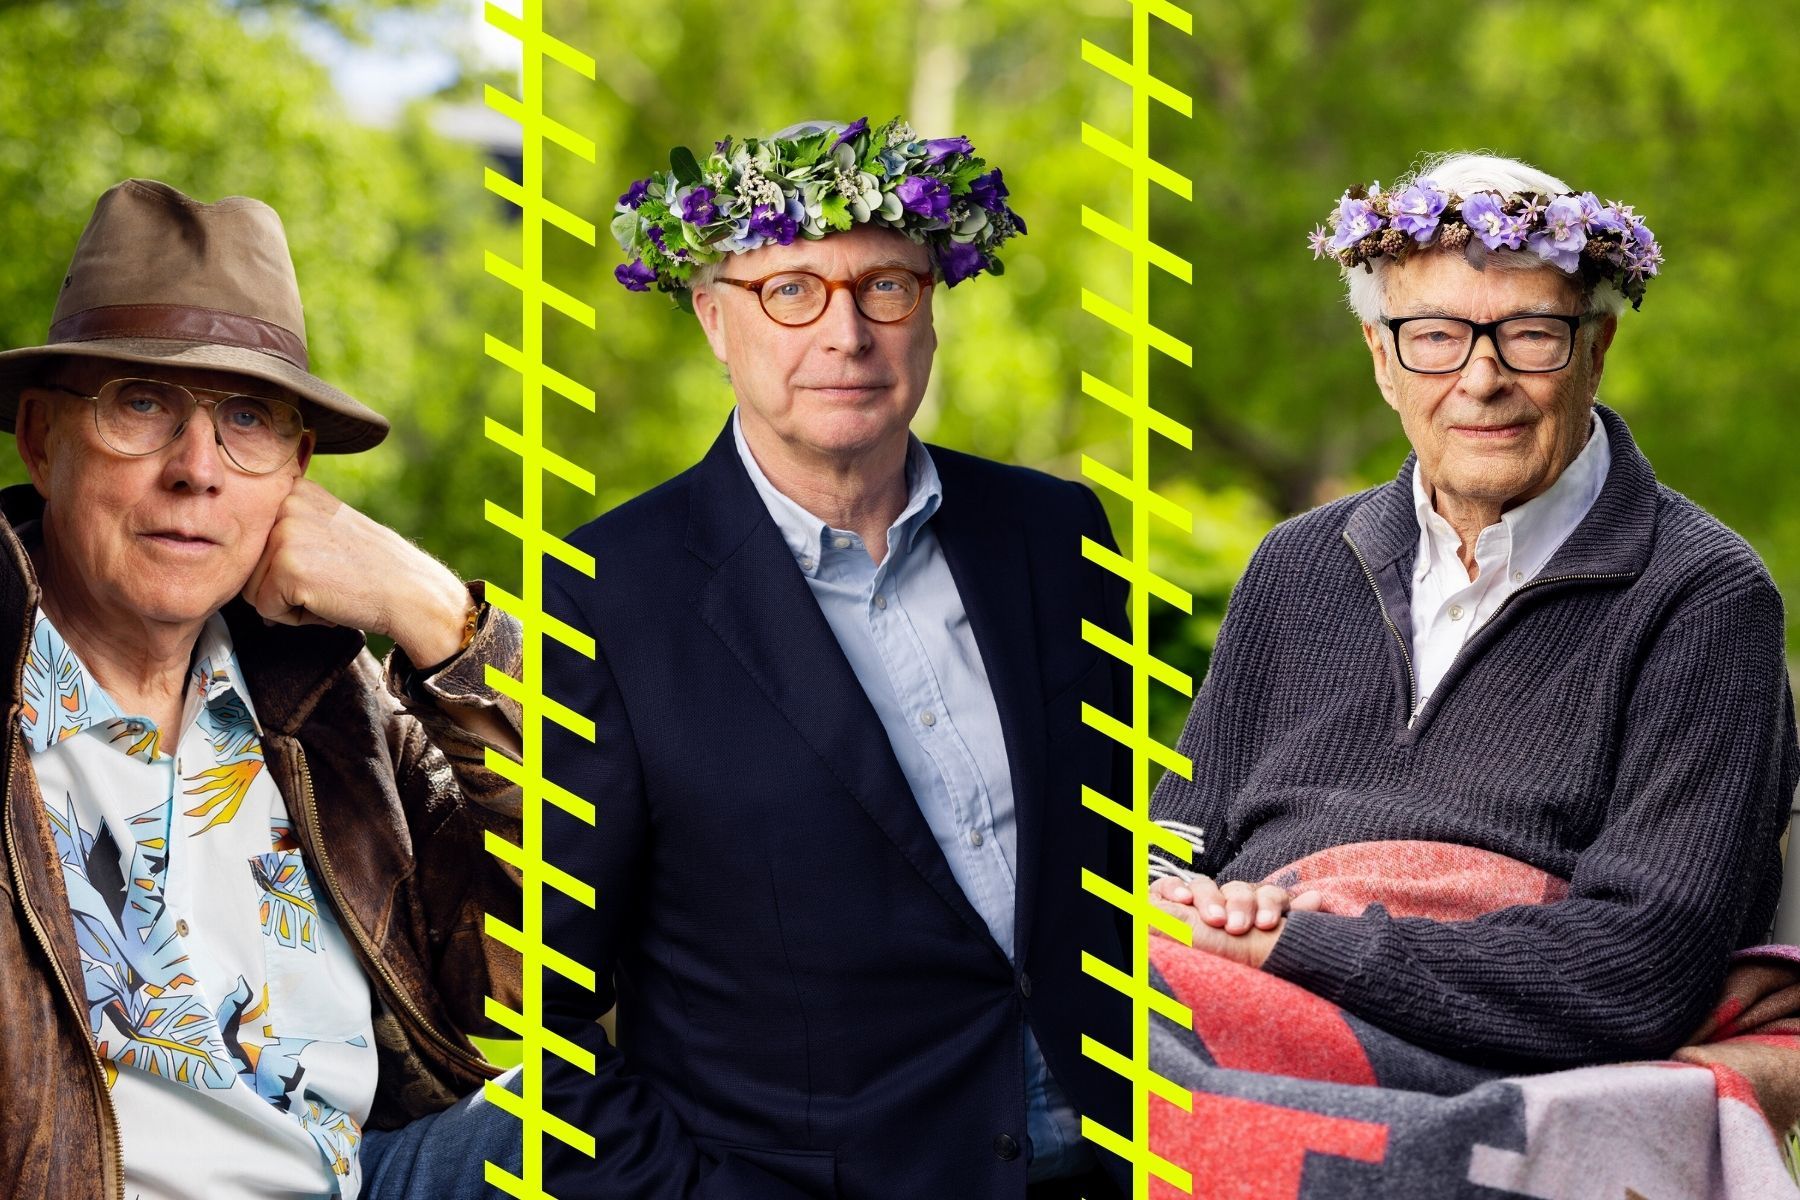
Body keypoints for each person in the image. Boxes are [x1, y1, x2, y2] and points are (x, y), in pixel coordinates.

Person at [543, 118, 1131, 1198]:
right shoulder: (603, 598)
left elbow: (1117, 868)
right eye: (793, 290)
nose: (847, 333)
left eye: (886, 289)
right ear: (716, 320)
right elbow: (537, 1012)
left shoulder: (1057, 537)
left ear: (933, 311)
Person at [1147, 152, 1798, 1070]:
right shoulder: (1294, 565)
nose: (1481, 378)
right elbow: (1173, 847)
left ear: (1598, 349)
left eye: (1531, 334)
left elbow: (1642, 968)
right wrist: (1191, 911)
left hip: (1484, 1058)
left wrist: (1310, 950)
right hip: (1218, 995)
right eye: (1435, 336)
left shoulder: (1703, 597)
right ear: (1383, 358)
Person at [0, 178, 525, 1199]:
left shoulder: (334, 708)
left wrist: (439, 622)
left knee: (673, 1085)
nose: (197, 469)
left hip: (368, 1179)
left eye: (248, 419)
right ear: (40, 441)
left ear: (296, 472)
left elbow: (559, 954)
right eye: (140, 403)